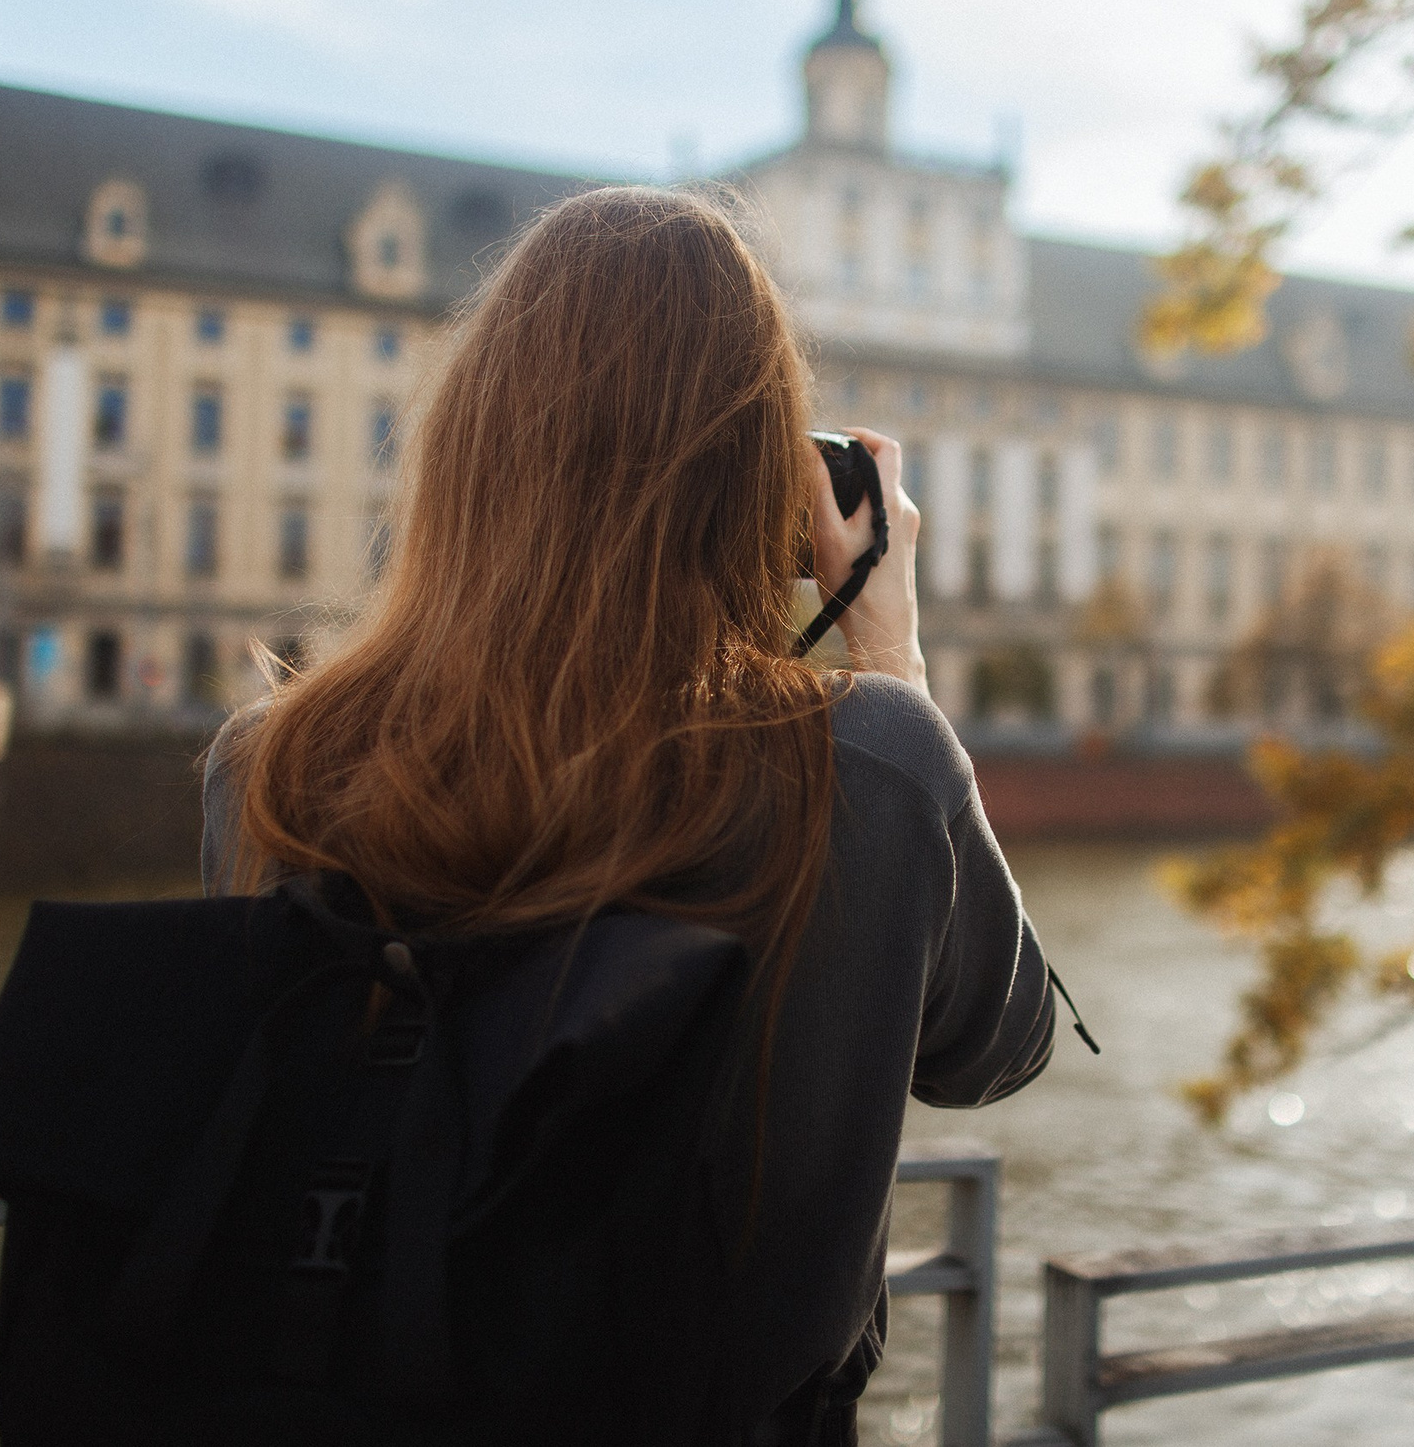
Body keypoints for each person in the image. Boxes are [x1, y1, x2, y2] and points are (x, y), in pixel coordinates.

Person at [200, 185, 1056, 1442]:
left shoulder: (271, 761)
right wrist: (894, 660)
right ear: (763, 486)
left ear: (472, 447)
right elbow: (996, 1046)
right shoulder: (864, 761)